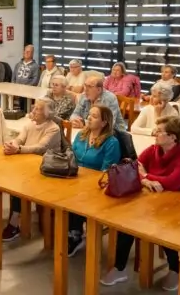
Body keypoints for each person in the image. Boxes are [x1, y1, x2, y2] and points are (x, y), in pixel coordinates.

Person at [101, 116, 180, 291]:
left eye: (159, 131)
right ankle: (120, 268)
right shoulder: (154, 149)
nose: (155, 133)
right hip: (154, 197)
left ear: (173, 137)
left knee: (163, 226)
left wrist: (145, 176)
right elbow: (132, 168)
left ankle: (176, 269)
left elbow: (172, 183)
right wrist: (147, 181)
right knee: (127, 222)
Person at [0, 98, 62, 241]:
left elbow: (40, 147)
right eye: (34, 107)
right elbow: (20, 139)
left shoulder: (53, 128)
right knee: (0, 176)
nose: (33, 111)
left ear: (47, 114)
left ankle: (14, 223)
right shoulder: (30, 124)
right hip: (26, 164)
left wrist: (18, 149)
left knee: (18, 185)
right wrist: (12, 144)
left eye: (38, 109)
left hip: (45, 169)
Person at [67, 105, 121, 257]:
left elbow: (106, 172)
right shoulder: (81, 136)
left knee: (75, 199)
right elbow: (72, 156)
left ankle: (75, 235)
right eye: (89, 115)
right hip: (75, 179)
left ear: (104, 123)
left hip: (96, 185)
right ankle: (69, 230)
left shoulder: (111, 142)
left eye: (94, 116)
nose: (89, 118)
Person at [13, 45, 40, 110]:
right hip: (17, 89)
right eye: (26, 51)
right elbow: (13, 77)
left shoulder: (35, 66)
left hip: (28, 91)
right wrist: (13, 86)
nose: (27, 53)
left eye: (29, 52)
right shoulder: (18, 64)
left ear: (32, 53)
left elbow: (35, 81)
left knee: (25, 107)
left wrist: (26, 88)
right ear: (23, 52)